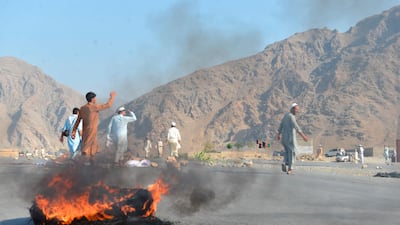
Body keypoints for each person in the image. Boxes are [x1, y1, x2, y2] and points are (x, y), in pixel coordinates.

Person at [71, 91, 116, 165]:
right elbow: (108, 105)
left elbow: (78, 120)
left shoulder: (82, 108)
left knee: (92, 149)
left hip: (85, 131)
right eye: (95, 98)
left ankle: (91, 165)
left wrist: (74, 131)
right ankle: (83, 165)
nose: (96, 99)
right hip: (91, 130)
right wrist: (112, 97)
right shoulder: (94, 107)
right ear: (92, 99)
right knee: (87, 149)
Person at [277, 103, 308, 175]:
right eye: (297, 110)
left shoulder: (285, 116)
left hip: (284, 138)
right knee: (292, 152)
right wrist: (303, 136)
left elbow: (281, 125)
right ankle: (290, 169)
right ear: (293, 109)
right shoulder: (291, 117)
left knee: (287, 152)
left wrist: (279, 134)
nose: (297, 111)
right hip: (290, 138)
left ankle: (284, 163)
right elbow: (296, 127)